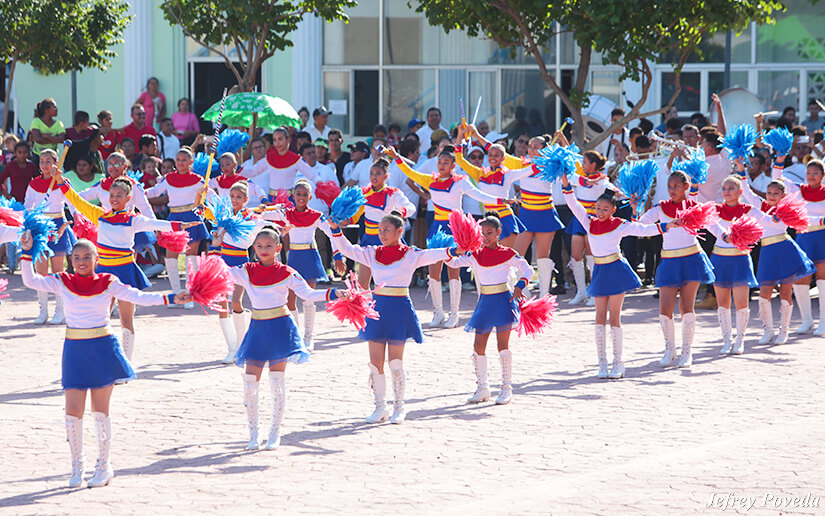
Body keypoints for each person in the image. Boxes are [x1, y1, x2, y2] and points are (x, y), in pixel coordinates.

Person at [18, 236, 189, 487]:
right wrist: (25, 252)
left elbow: (138, 296)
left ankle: (104, 466)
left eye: (87, 257)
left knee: (100, 412)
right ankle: (77, 467)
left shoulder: (109, 282)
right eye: (76, 258)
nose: (82, 262)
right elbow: (30, 280)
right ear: (70, 260)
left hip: (103, 347)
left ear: (97, 260)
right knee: (73, 412)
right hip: (75, 350)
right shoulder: (63, 281)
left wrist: (172, 298)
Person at [329, 212, 460, 424]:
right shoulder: (372, 253)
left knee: (396, 362)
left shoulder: (410, 254)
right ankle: (380, 407)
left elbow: (433, 254)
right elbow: (347, 249)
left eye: (386, 230)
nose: (382, 234)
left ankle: (399, 406)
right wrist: (335, 230)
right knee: (374, 363)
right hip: (377, 310)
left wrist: (453, 250)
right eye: (380, 230)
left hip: (399, 310)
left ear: (400, 231)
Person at [55, 171, 197, 362]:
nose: (114, 199)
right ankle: (103, 358)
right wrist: (61, 183)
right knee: (100, 318)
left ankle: (125, 363)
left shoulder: (133, 219)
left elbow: (156, 223)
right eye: (112, 195)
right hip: (103, 273)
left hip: (125, 272)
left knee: (126, 320)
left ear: (128, 198)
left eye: (119, 195)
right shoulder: (99, 214)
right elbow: (77, 201)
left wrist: (180, 225)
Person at [223, 227, 344, 449]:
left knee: (277, 382)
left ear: (279, 248)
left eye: (269, 245)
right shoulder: (246, 270)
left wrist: (332, 293)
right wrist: (216, 243)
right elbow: (220, 270)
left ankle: (274, 433)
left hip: (281, 328)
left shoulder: (288, 272)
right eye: (259, 246)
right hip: (258, 329)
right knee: (250, 383)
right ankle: (253, 434)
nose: (263, 250)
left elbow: (307, 294)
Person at [386, 145, 508, 329]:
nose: (442, 165)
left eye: (446, 162)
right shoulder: (430, 181)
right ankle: (438, 312)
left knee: (453, 270)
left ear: (453, 165)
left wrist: (502, 201)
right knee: (433, 272)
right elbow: (409, 172)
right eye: (439, 162)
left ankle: (454, 314)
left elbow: (480, 196)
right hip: (436, 228)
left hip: (455, 229)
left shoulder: (460, 182)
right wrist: (396, 156)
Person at [563, 176, 671, 378]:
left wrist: (665, 226)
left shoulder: (620, 224)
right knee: (598, 318)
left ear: (613, 209)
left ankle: (618, 363)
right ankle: (602, 363)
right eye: (598, 208)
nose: (600, 212)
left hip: (616, 270)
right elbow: (573, 204)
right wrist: (566, 185)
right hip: (600, 272)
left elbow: (643, 229)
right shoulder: (589, 223)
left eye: (605, 209)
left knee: (614, 317)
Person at [444, 212, 531, 402]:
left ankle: (506, 388)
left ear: (499, 232)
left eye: (489, 232)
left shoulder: (507, 253)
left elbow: (528, 269)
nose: (485, 237)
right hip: (484, 302)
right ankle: (483, 388)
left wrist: (519, 285)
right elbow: (454, 262)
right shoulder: (475, 254)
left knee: (502, 346)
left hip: (503, 302)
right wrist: (449, 251)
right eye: (482, 233)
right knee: (478, 346)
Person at [636, 170, 716, 368]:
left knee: (686, 307)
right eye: (670, 186)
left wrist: (730, 237)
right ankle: (669, 349)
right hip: (669, 261)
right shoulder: (660, 208)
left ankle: (687, 351)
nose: (672, 190)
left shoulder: (695, 208)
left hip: (691, 259)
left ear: (686, 187)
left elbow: (715, 226)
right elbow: (639, 224)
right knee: (664, 308)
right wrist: (635, 206)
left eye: (676, 186)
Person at [260, 180, 342, 350]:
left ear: (310, 197)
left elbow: (332, 233)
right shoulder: (286, 214)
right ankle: (295, 336)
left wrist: (338, 256)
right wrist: (263, 209)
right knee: (290, 299)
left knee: (309, 298)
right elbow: (263, 216)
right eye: (298, 194)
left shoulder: (317, 216)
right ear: (293, 196)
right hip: (294, 258)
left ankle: (309, 338)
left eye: (305, 194)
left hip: (310, 257)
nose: (302, 197)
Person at [206, 183, 282, 363]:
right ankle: (232, 348)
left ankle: (242, 345)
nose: (235, 200)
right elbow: (209, 197)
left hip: (240, 264)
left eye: (239, 197)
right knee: (221, 304)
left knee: (235, 301)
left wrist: (281, 227)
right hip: (222, 262)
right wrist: (204, 189)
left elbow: (267, 225)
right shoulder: (222, 216)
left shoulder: (252, 219)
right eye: (232, 196)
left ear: (246, 200)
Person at [705, 173, 774, 354]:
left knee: (741, 302)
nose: (727, 192)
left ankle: (740, 340)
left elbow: (767, 220)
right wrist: (724, 236)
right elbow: (710, 225)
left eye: (731, 188)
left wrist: (781, 214)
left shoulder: (749, 209)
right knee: (722, 302)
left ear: (740, 191)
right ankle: (727, 340)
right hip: (719, 258)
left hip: (740, 259)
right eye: (724, 188)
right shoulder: (715, 209)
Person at [770, 157, 825, 336]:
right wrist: (779, 160)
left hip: (822, 237)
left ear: (823, 175)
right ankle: (806, 320)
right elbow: (777, 179)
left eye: (816, 173)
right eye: (808, 173)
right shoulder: (799, 190)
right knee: (800, 279)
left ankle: (823, 322)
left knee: (822, 280)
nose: (811, 176)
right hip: (803, 237)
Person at [145, 148, 209, 303]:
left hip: (192, 218)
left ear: (191, 162)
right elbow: (155, 192)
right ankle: (175, 294)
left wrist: (207, 193)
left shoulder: (198, 179)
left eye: (184, 160)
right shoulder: (169, 178)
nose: (180, 163)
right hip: (174, 219)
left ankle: (189, 294)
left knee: (191, 257)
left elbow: (211, 197)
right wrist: (135, 191)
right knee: (170, 256)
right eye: (178, 160)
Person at [454, 125, 531, 248]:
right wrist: (460, 135)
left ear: (503, 158)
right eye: (490, 154)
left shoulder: (508, 174)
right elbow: (459, 159)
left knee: (505, 258)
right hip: (487, 219)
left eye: (497, 155)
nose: (493, 157)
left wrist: (545, 160)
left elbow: (529, 170)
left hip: (505, 218)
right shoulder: (480, 173)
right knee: (487, 259)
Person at [24, 148, 78, 324]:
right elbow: (27, 206)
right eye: (42, 161)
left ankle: (60, 311)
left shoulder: (63, 182)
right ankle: (43, 311)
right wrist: (30, 221)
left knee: (58, 271)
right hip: (39, 227)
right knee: (40, 271)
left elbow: (73, 203)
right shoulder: (33, 184)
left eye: (49, 161)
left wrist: (78, 219)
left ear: (56, 163)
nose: (45, 164)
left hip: (57, 226)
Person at [349, 157, 416, 288]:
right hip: (368, 240)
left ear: (386, 176)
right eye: (371, 173)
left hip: (387, 242)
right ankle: (365, 308)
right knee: (362, 283)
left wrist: (399, 212)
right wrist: (344, 219)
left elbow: (411, 208)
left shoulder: (393, 193)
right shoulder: (363, 193)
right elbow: (355, 215)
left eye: (378, 173)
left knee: (388, 282)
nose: (374, 176)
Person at [565, 150, 616, 306]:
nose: (582, 165)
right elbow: (569, 178)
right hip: (579, 220)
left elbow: (613, 191)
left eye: (585, 162)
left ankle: (595, 292)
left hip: (594, 222)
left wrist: (622, 193)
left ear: (593, 165)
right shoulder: (580, 178)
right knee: (575, 257)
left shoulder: (602, 181)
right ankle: (581, 291)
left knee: (592, 257)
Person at [242, 127, 317, 199]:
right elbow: (252, 172)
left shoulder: (296, 159)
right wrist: (237, 168)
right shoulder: (269, 158)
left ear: (288, 139)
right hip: (272, 199)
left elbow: (312, 174)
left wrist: (321, 184)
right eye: (275, 140)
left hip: (289, 199)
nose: (277, 143)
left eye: (280, 139)